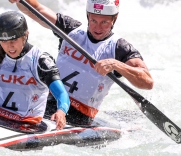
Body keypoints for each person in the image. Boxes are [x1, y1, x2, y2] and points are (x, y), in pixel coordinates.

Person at [9, 0, 154, 125]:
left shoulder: (119, 48)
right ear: (88, 16)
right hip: (47, 100)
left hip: (79, 116)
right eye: (93, 21)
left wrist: (117, 65)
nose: (97, 28)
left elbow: (147, 82)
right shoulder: (71, 30)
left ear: (114, 19)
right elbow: (36, 9)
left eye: (104, 22)